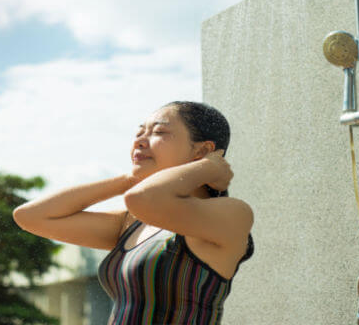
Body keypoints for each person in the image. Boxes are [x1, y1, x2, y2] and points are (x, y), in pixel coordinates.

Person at [13, 101, 254, 324]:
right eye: (140, 133)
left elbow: (142, 199)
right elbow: (31, 216)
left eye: (159, 132)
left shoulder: (232, 214)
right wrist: (130, 178)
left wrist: (208, 167)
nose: (140, 141)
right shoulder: (133, 222)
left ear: (202, 150)